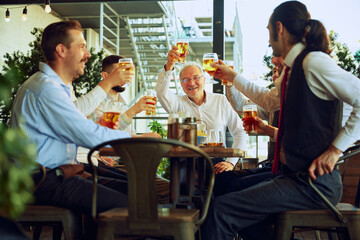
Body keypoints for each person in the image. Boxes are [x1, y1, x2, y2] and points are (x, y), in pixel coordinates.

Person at [201, 1, 360, 239]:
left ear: (279, 28)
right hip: (294, 177)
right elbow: (268, 101)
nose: (268, 41)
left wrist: (335, 150)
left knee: (219, 211)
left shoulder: (313, 62)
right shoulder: (291, 70)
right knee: (226, 197)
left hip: (314, 185)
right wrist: (233, 77)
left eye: (268, 31)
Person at [10, 20, 160, 217]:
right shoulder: (45, 89)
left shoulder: (53, 86)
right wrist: (137, 140)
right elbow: (86, 133)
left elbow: (83, 128)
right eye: (82, 47)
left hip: (55, 173)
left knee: (137, 191)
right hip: (39, 180)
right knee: (133, 205)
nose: (88, 54)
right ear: (62, 51)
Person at [155, 47, 248, 174]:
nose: (191, 82)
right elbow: (161, 92)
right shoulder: (176, 103)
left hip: (216, 163)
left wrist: (230, 162)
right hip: (186, 165)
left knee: (225, 187)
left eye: (195, 77)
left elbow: (240, 132)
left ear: (204, 79)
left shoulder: (220, 100)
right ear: (181, 84)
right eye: (185, 80)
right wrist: (169, 65)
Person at [213, 56, 283, 196]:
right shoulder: (272, 104)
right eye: (274, 71)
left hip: (285, 171)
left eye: (279, 71)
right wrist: (229, 84)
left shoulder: (291, 102)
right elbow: (242, 106)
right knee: (220, 179)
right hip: (272, 166)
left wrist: (233, 76)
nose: (274, 75)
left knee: (232, 184)